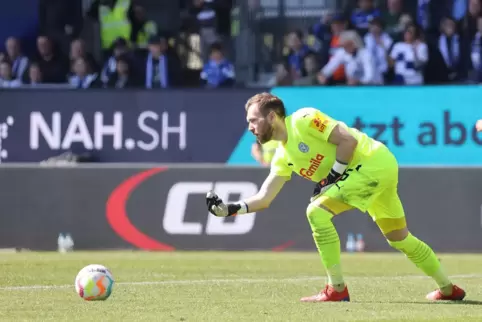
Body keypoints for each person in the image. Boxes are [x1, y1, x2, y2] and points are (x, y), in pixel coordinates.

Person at [206, 92, 466, 303]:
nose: (250, 127)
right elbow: (264, 198)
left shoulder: (303, 119)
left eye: (253, 120)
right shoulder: (283, 156)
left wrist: (330, 178)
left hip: (373, 163)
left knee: (316, 212)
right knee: (400, 239)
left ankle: (336, 289)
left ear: (272, 117)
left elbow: (347, 142)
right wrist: (227, 210)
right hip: (372, 175)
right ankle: (447, 288)